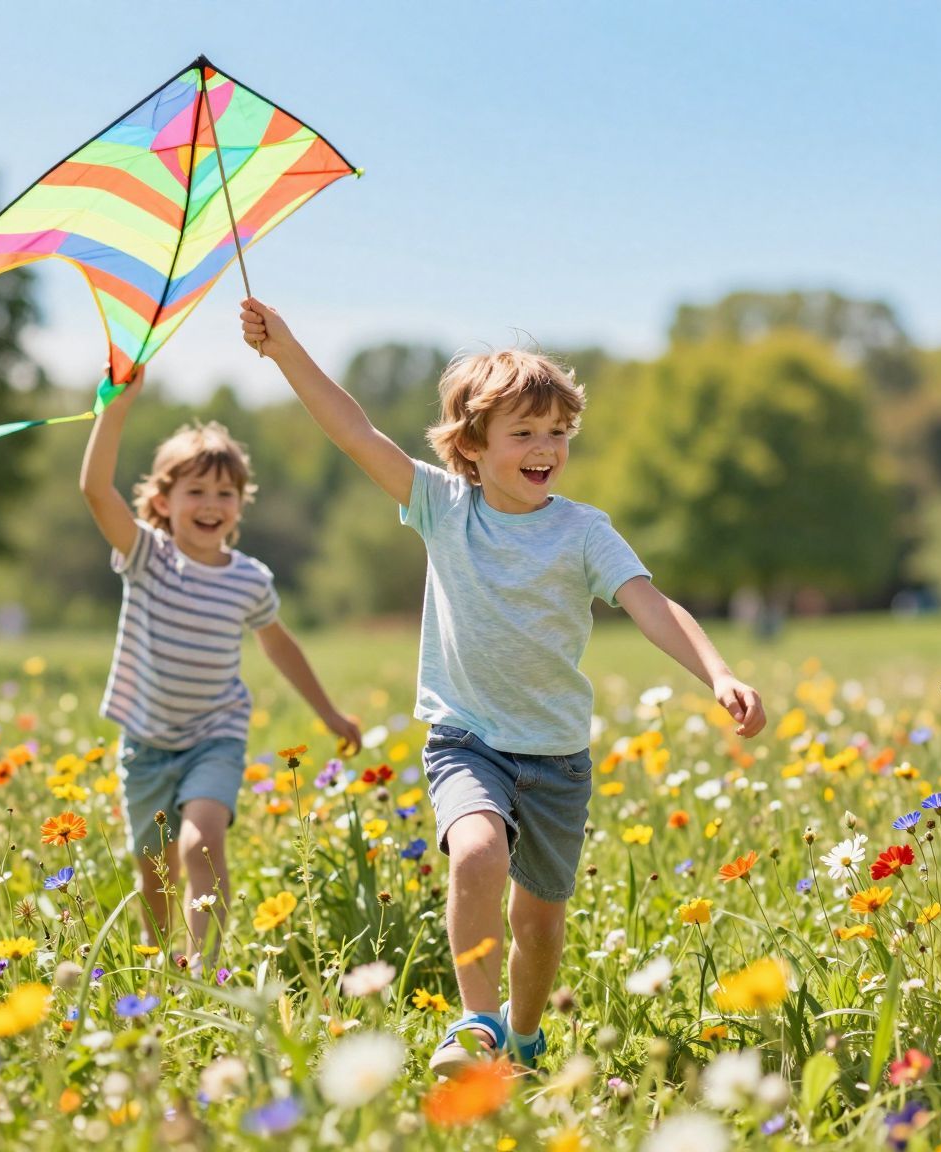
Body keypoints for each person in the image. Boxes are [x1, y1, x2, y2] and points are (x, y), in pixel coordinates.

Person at [241, 298, 767, 1076]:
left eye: (557, 432)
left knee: (541, 927)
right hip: (467, 738)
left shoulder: (584, 530)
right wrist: (285, 351)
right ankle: (475, 1023)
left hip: (556, 756)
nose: (544, 447)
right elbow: (355, 431)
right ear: (471, 447)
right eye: (522, 433)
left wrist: (718, 670)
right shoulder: (441, 507)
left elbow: (651, 606)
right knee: (476, 850)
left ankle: (522, 1036)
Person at [79, 362, 361, 968]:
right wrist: (116, 409)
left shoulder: (248, 579)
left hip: (215, 735)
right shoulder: (146, 557)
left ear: (241, 503)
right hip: (147, 741)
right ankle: (162, 966)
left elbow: (279, 645)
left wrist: (330, 713)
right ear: (163, 500)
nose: (212, 505)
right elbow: (95, 492)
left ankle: (207, 969)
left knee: (200, 843)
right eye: (196, 492)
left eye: (225, 494)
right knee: (154, 870)